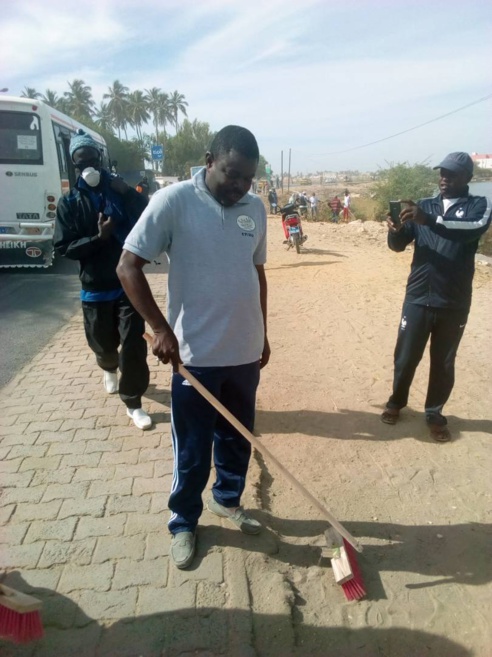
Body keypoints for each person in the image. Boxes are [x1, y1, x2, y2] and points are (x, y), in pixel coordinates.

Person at [117, 125, 270, 569]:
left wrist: (262, 332)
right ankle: (183, 521)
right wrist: (160, 328)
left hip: (243, 352)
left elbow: (257, 272)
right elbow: (127, 266)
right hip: (195, 357)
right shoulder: (173, 201)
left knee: (238, 437)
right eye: (231, 174)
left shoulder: (255, 209)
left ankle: (227, 499)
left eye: (247, 178)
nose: (239, 186)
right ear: (208, 160)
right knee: (192, 448)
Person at [381, 152, 491, 442]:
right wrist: (396, 231)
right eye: (442, 173)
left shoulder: (478, 205)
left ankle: (434, 412)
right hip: (418, 296)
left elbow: (467, 231)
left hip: (453, 302)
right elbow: (398, 246)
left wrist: (427, 219)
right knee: (405, 357)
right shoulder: (424, 206)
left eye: (452, 174)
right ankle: (396, 401)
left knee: (443, 362)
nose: (444, 178)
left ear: (468, 177)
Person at [53, 129, 152, 430]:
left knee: (134, 342)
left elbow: (146, 217)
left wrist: (130, 195)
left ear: (101, 158)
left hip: (127, 283)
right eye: (81, 161)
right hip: (95, 287)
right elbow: (63, 247)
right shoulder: (69, 202)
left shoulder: (118, 189)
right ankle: (108, 366)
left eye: (92, 159)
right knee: (105, 346)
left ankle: (133, 402)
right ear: (74, 164)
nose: (88, 166)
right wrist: (99, 238)